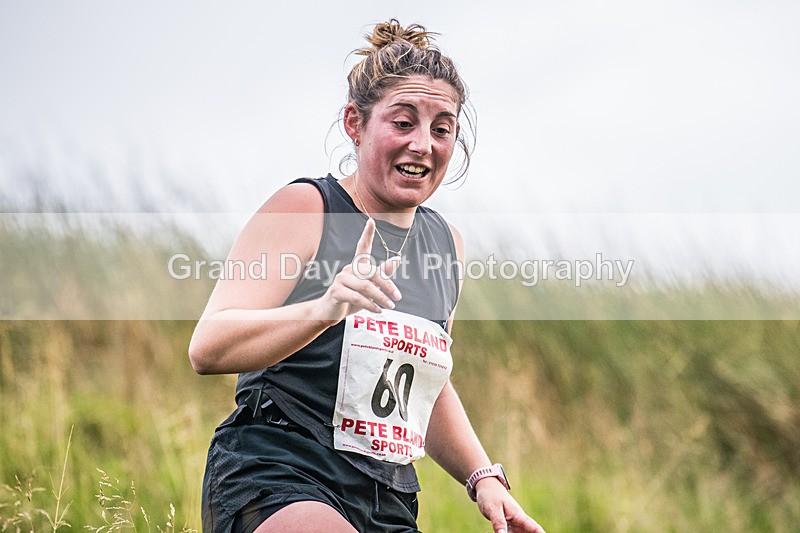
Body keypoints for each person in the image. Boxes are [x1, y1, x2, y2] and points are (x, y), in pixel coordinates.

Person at [189, 19, 545, 533]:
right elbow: (208, 347)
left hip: (385, 495)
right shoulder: (306, 209)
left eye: (441, 128)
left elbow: (424, 380)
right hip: (280, 472)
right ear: (355, 123)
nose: (424, 144)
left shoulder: (447, 245)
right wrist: (324, 308)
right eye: (404, 123)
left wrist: (482, 476)